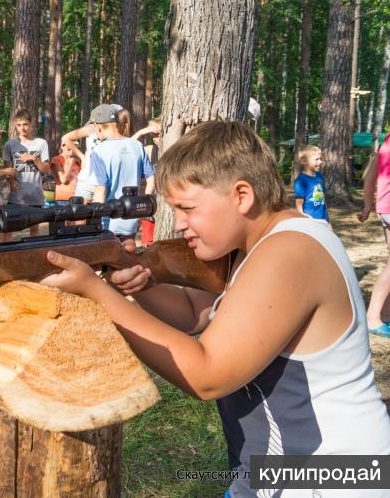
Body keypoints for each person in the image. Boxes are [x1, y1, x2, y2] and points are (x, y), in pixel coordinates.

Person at [41, 121, 390, 496]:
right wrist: (135, 282)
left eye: (187, 208)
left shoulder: (289, 252)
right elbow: (198, 314)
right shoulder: (258, 245)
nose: (179, 224)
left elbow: (207, 375)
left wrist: (96, 292)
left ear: (241, 195)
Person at [87, 105, 155, 239]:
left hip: (108, 222)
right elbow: (151, 180)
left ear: (98, 126)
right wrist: (143, 208)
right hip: (132, 219)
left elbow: (101, 190)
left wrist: (94, 219)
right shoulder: (137, 146)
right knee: (129, 256)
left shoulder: (99, 151)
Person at [358, 132, 390, 337]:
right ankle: (372, 317)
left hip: (385, 208)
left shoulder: (387, 140)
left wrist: (368, 205)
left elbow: (369, 177)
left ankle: (385, 315)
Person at [2, 109, 50, 236]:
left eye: (25, 124)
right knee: (10, 229)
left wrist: (34, 159)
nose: (22, 128)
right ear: (15, 125)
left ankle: (33, 254)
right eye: (19, 125)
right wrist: (11, 181)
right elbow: (7, 168)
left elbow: (46, 169)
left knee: (34, 230)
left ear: (31, 124)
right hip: (16, 196)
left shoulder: (41, 143)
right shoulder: (9, 145)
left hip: (35, 195)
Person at [61, 104, 123, 203]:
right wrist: (82, 157)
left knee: (102, 215)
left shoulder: (120, 134)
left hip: (108, 183)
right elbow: (65, 138)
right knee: (79, 214)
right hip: (87, 179)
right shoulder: (91, 128)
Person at [131, 117, 162, 246]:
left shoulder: (175, 148)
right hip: (153, 201)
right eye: (152, 135)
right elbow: (129, 145)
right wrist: (143, 131)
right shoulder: (150, 150)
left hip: (169, 201)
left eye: (158, 134)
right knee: (148, 244)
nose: (155, 138)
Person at [294, 145, 329, 222]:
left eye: (320, 159)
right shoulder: (300, 181)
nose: (320, 162)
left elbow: (323, 201)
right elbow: (299, 206)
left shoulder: (320, 176)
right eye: (316, 159)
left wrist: (328, 222)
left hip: (323, 220)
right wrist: (303, 223)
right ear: (304, 161)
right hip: (310, 221)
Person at [50, 139, 81, 205]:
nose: (71, 152)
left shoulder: (78, 161)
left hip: (77, 198)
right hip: (63, 199)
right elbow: (63, 180)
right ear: (62, 146)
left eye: (73, 149)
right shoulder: (57, 159)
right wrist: (71, 163)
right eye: (68, 149)